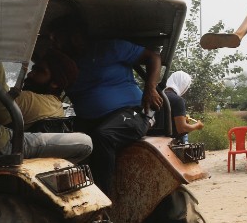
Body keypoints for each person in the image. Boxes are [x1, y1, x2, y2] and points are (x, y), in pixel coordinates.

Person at [51, 15, 163, 196]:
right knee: (60, 144)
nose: (54, 44)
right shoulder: (64, 65)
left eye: (57, 38)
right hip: (87, 120)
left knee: (103, 136)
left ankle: (103, 199)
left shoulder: (111, 48)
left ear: (76, 37)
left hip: (131, 113)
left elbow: (153, 57)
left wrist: (150, 88)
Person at [0, 51, 93, 163]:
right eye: (33, 69)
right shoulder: (56, 106)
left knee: (86, 142)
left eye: (39, 71)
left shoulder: (31, 100)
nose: (30, 74)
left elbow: (2, 111)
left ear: (55, 83)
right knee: (85, 142)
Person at [163, 71, 203, 145]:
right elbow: (182, 128)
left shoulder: (156, 96)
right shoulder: (178, 100)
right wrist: (197, 125)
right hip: (169, 143)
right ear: (182, 84)